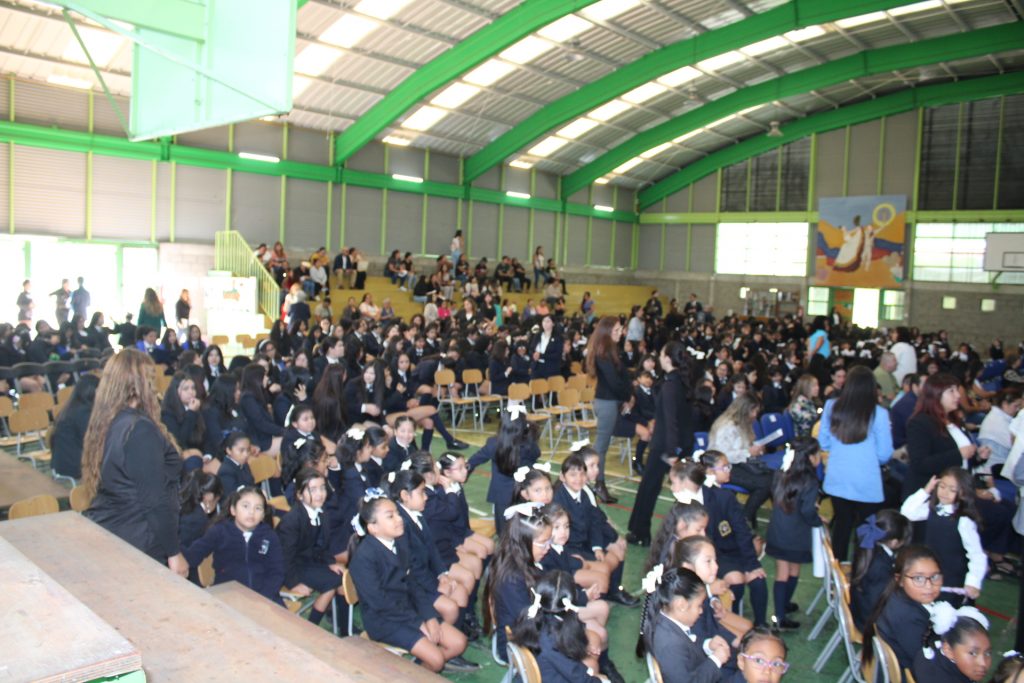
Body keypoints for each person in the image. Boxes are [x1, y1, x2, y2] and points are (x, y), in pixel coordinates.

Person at [82, 349, 188, 576]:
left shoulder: (110, 420)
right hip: (139, 536)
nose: (154, 385)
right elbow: (154, 500)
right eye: (150, 378)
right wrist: (173, 552)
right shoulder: (139, 429)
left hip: (116, 529)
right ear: (139, 384)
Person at [348, 492, 475, 673]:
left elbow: (413, 584)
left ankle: (417, 669)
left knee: (459, 643)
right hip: (385, 620)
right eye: (390, 516)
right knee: (437, 660)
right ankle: (422, 667)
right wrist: (419, 623)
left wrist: (429, 616)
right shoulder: (364, 558)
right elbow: (380, 603)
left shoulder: (399, 542)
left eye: (397, 513)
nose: (399, 519)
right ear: (373, 527)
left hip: (409, 609)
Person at [669, 459, 770, 629]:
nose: (671, 488)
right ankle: (729, 621)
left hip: (729, 551)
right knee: (736, 581)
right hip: (707, 558)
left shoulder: (722, 497)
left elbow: (742, 530)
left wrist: (752, 564)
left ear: (686, 482)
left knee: (758, 579)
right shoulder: (680, 506)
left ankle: (761, 625)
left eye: (673, 482)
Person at [819, 364, 893, 562]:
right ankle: (862, 570)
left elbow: (823, 442)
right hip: (866, 482)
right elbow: (884, 454)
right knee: (866, 531)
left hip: (838, 478)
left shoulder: (832, 407)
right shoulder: (879, 414)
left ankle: (837, 572)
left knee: (842, 525)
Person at [627, 341, 694, 544]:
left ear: (668, 358)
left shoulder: (671, 385)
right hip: (675, 442)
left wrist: (672, 452)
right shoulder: (679, 381)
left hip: (665, 445)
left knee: (649, 489)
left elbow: (671, 420)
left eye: (662, 354)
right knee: (680, 491)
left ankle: (640, 533)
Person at [554, 452, 637, 606]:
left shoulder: (583, 493)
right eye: (573, 475)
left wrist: (597, 547)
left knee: (613, 558)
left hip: (583, 543)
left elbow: (594, 521)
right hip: (570, 548)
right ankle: (593, 597)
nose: (578, 479)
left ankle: (613, 591)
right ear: (562, 477)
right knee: (604, 568)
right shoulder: (559, 499)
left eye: (582, 474)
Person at [182, 486, 284, 604]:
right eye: (245, 506)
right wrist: (174, 550)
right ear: (233, 510)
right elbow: (193, 555)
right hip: (228, 598)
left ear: (263, 515)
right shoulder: (220, 532)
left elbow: (277, 572)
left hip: (264, 597)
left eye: (258, 508)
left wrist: (263, 598)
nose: (251, 512)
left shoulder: (269, 536)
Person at [900, 468, 987, 605]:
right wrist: (926, 490)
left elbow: (977, 554)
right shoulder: (933, 509)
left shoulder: (964, 521)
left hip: (952, 577)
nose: (945, 492)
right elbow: (907, 512)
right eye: (942, 486)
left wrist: (973, 582)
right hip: (930, 572)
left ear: (963, 493)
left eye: (952, 490)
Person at [764, 436, 822, 630]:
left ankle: (780, 610)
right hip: (796, 534)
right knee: (793, 570)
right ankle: (782, 612)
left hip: (778, 530)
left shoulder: (781, 472)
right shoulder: (810, 480)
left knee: (782, 572)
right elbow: (807, 511)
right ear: (810, 457)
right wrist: (818, 521)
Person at [638, 566, 731, 683]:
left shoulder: (666, 620)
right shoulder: (670, 645)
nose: (701, 611)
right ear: (681, 605)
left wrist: (707, 645)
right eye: (699, 605)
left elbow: (687, 644)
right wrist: (716, 660)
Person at [862, 545, 943, 675]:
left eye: (934, 577)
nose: (929, 586)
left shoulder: (897, 597)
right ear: (899, 580)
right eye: (918, 578)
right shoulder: (908, 617)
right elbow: (926, 665)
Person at [278, 468, 344, 627]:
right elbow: (284, 558)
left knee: (342, 576)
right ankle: (311, 625)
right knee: (331, 583)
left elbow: (323, 545)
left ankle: (343, 626)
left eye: (322, 488)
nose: (320, 494)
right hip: (293, 567)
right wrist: (293, 583)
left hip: (310, 561)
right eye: (313, 490)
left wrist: (330, 562)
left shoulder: (321, 512)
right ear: (300, 495)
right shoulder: (292, 521)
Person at [511, 569, 604, 682]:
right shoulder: (554, 641)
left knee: (592, 664)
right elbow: (579, 677)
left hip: (534, 673)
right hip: (551, 677)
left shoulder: (530, 617)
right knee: (599, 674)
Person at [467, 409, 541, 533]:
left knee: (503, 531)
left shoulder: (493, 444)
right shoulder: (529, 445)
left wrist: (464, 474)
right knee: (524, 528)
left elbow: (473, 461)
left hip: (501, 495)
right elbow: (536, 455)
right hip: (524, 492)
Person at [708, 395, 774, 528]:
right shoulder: (727, 426)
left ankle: (753, 515)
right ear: (744, 410)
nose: (755, 415)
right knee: (765, 484)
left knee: (774, 476)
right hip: (722, 467)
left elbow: (743, 447)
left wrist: (756, 448)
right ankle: (745, 518)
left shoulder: (744, 423)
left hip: (738, 463)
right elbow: (722, 455)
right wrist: (749, 452)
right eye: (753, 411)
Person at [587, 316, 632, 504]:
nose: (620, 333)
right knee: (601, 447)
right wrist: (627, 395)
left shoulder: (612, 350)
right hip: (606, 402)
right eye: (616, 330)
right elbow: (614, 382)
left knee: (601, 446)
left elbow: (624, 377)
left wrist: (628, 395)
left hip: (612, 401)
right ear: (606, 332)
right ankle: (598, 483)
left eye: (620, 329)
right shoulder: (603, 353)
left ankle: (596, 482)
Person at [850, 510, 911, 630]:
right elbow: (878, 602)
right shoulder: (881, 567)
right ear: (894, 542)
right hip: (869, 622)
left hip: (859, 609)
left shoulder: (867, 546)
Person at [912, 615, 992, 683]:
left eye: (987, 653)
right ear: (948, 650)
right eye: (973, 653)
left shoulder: (931, 653)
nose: (983, 663)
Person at [51, 374, 100, 481]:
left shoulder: (70, 409)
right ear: (92, 391)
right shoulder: (84, 413)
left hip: (61, 464)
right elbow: (93, 441)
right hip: (74, 466)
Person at [786, 373, 820, 438]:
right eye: (814, 386)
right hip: (804, 439)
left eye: (817, 385)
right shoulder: (798, 406)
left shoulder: (810, 402)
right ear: (805, 388)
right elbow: (810, 423)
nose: (817, 388)